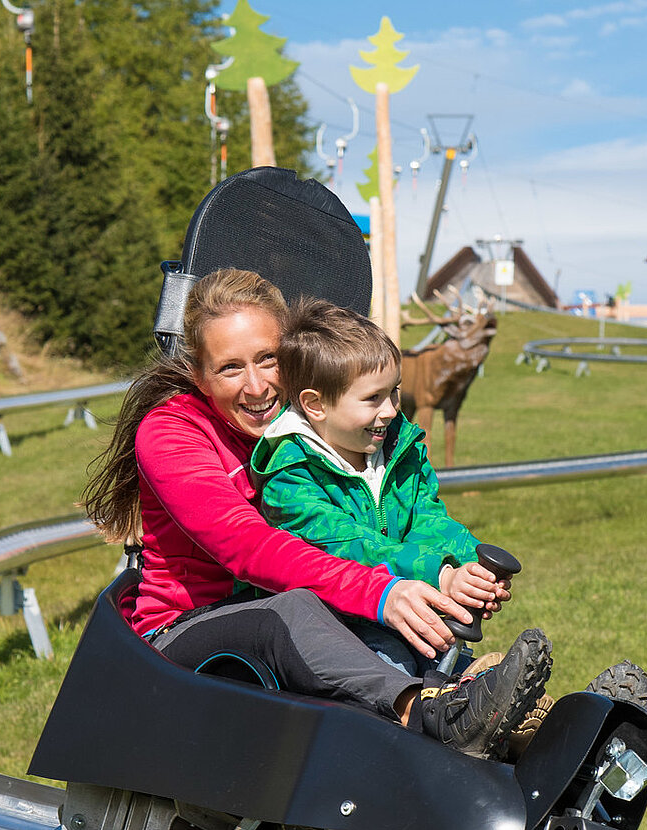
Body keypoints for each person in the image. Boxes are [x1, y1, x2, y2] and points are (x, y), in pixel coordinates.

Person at [80, 268, 550, 758]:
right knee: (289, 612)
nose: (258, 386)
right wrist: (382, 591)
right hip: (185, 631)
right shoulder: (172, 433)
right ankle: (426, 711)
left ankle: (524, 716)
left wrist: (449, 567)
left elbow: (381, 523)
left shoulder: (312, 427)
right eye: (230, 368)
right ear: (199, 375)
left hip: (291, 608)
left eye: (268, 360)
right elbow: (249, 548)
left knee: (334, 609)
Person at [249, 301, 501, 677]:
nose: (391, 411)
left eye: (394, 393)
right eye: (373, 399)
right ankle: (450, 705)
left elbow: (426, 517)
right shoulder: (290, 476)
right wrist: (440, 574)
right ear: (315, 405)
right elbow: (349, 545)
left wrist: (471, 562)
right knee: (393, 662)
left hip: (404, 606)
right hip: (333, 621)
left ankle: (485, 702)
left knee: (439, 652)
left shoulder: (399, 449)